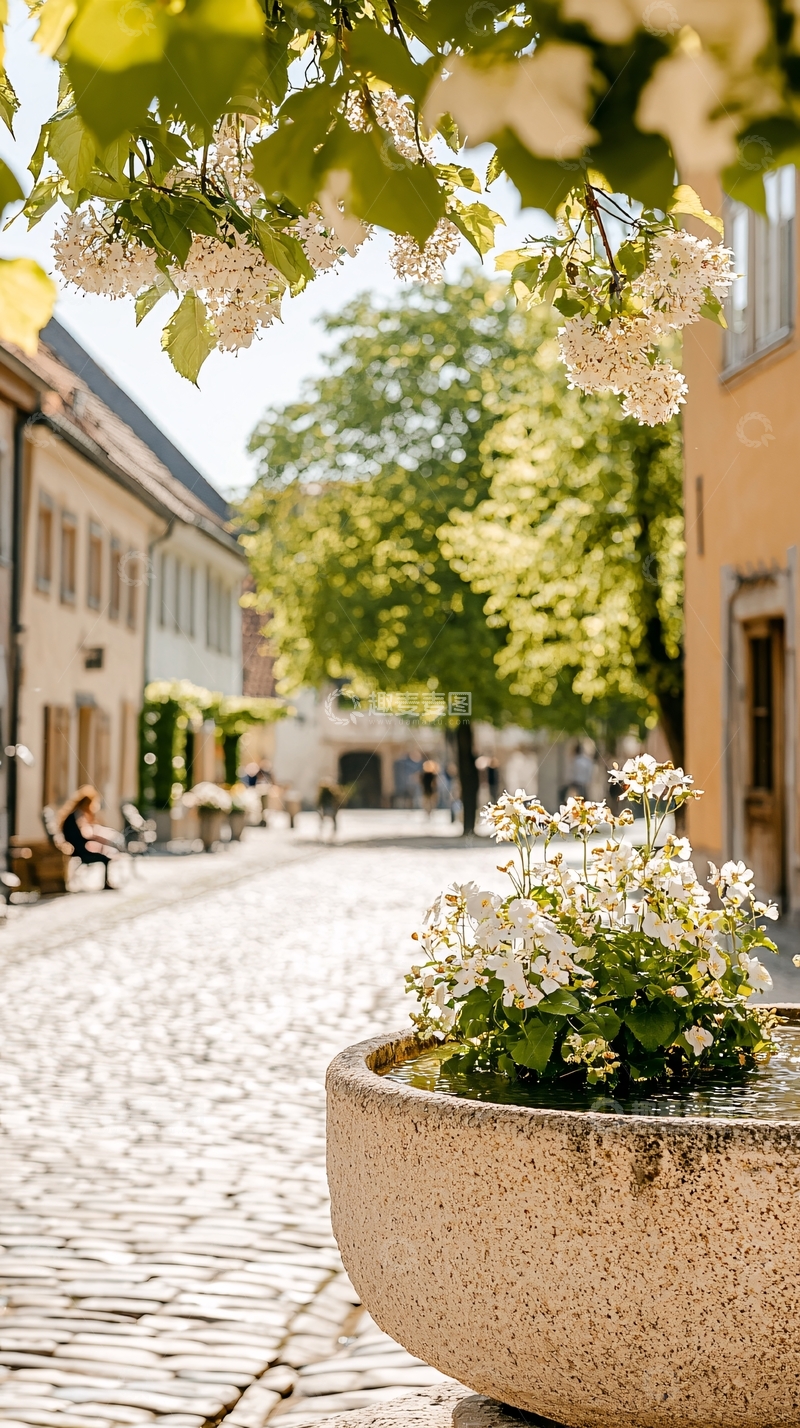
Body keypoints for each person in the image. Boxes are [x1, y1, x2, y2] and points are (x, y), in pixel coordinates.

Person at [58, 785, 120, 889]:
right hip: (78, 850)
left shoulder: (74, 815)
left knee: (105, 852)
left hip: (77, 848)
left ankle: (106, 882)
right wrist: (93, 838)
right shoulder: (76, 816)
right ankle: (106, 883)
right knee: (106, 857)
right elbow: (79, 837)